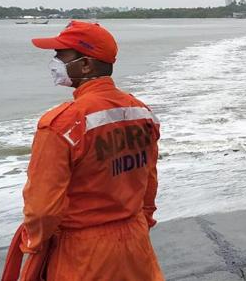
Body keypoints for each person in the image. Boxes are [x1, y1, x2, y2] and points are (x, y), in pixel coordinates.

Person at [19, 21, 164, 279]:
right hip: (136, 241)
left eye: (60, 55)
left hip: (83, 252)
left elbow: (42, 208)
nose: (54, 61)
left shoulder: (61, 125)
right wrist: (143, 223)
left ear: (85, 65)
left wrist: (34, 244)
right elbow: (148, 181)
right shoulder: (142, 113)